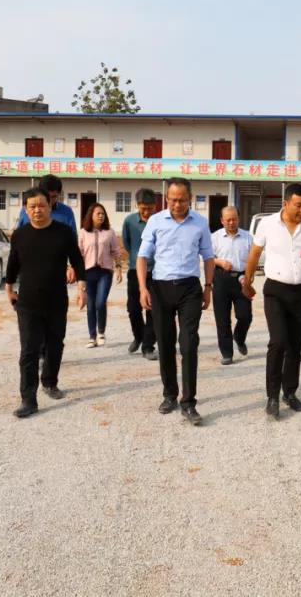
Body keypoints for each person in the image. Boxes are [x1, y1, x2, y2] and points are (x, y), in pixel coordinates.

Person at [243, 183, 301, 420]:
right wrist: (247, 281)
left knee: (295, 344)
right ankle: (272, 396)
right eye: (298, 205)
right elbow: (255, 253)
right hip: (275, 291)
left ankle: (289, 392)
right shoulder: (268, 223)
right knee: (278, 341)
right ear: (286, 203)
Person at [138, 177, 215, 426]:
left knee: (189, 343)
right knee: (165, 342)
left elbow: (208, 257)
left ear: (190, 199)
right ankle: (169, 394)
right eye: (173, 200)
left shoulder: (200, 223)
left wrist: (208, 287)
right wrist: (143, 288)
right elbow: (142, 257)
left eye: (182, 200)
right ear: (166, 199)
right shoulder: (155, 221)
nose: (177, 204)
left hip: (189, 288)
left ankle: (189, 402)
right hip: (160, 288)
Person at [5, 188, 85, 418]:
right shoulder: (20, 235)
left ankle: (50, 382)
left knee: (55, 344)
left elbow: (77, 261)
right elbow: (13, 263)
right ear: (25, 209)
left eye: (41, 205)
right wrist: (8, 287)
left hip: (56, 300)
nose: (37, 210)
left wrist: (82, 288)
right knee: (29, 350)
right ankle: (28, 399)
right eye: (32, 206)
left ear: (50, 206)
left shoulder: (64, 233)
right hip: (28, 301)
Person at [210, 206, 254, 365]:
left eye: (234, 219)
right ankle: (227, 353)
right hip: (221, 279)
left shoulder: (248, 237)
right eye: (228, 219)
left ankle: (239, 337)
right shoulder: (214, 237)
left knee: (245, 316)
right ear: (222, 220)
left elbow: (253, 260)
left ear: (238, 219)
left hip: (241, 279)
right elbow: (207, 258)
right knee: (222, 318)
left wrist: (248, 277)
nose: (231, 222)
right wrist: (219, 262)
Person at [77, 202, 122, 348]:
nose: (101, 216)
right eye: (98, 213)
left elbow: (116, 251)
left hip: (104, 272)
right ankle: (92, 337)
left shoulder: (109, 232)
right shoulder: (83, 232)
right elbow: (79, 253)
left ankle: (101, 332)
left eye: (103, 214)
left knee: (100, 302)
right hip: (88, 272)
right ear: (91, 215)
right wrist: (77, 272)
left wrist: (118, 268)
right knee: (90, 305)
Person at [122, 188, 158, 360]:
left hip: (157, 272)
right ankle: (139, 336)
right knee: (133, 308)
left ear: (155, 206)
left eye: (150, 208)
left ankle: (148, 346)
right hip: (134, 271)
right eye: (143, 208)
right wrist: (137, 259)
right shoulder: (129, 221)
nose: (146, 212)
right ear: (137, 205)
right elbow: (127, 244)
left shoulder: (160, 221)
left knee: (153, 310)